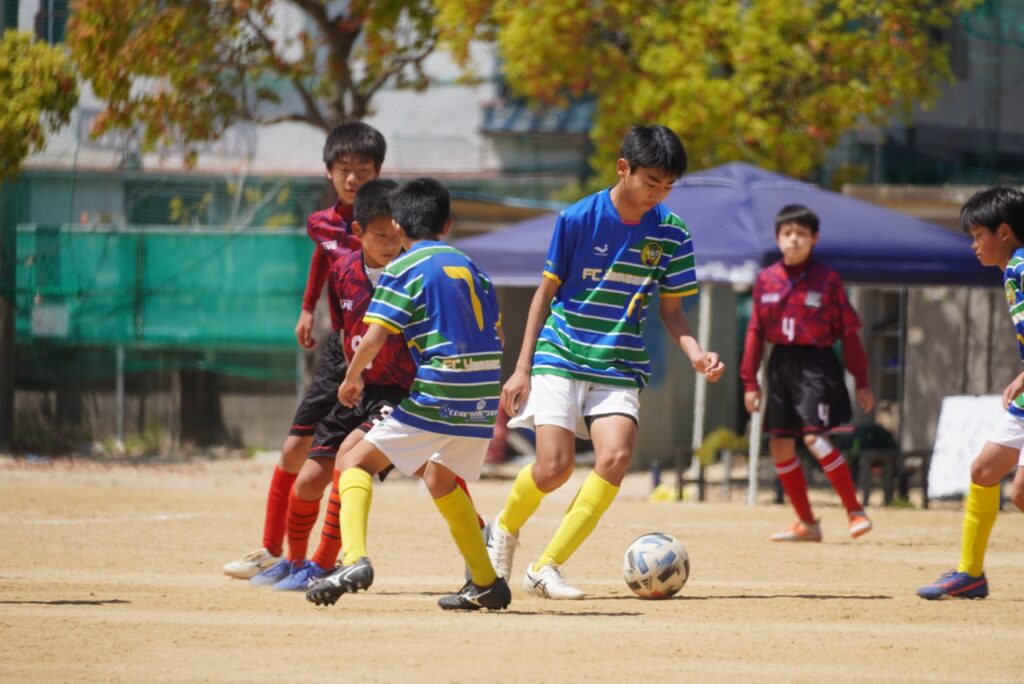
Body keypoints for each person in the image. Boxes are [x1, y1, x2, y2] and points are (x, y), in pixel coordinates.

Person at [487, 124, 725, 600]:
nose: (658, 193)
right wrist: (521, 367)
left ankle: (546, 567)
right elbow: (545, 294)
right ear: (623, 168)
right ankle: (504, 528)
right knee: (554, 468)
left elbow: (673, 311)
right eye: (651, 182)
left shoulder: (673, 233)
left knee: (615, 457)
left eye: (667, 186)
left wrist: (697, 354)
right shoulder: (578, 218)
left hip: (619, 363)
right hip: (561, 352)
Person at [304, 178, 510, 611]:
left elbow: (373, 338)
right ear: (447, 224)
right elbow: (499, 335)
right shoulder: (473, 268)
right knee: (439, 478)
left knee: (352, 461)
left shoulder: (404, 268)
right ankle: (486, 582)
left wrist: (352, 379)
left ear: (397, 227)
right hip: (482, 394)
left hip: (439, 387)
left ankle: (353, 560)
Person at [222, 122, 385, 579]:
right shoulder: (322, 225)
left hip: (388, 354)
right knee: (296, 450)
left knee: (421, 459)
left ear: (378, 171)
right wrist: (307, 308)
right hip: (342, 348)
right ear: (328, 172)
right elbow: (323, 257)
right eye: (344, 169)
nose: (353, 178)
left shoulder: (392, 223)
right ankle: (272, 550)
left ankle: (480, 531)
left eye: (363, 169)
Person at [739, 204, 875, 543]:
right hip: (780, 365)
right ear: (777, 239)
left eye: (801, 233)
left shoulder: (827, 280)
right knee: (780, 445)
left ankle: (855, 511)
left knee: (815, 438)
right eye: (787, 233)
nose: (794, 240)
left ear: (815, 239)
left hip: (817, 364)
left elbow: (849, 333)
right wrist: (749, 382)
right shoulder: (766, 279)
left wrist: (862, 380)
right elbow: (755, 331)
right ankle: (806, 523)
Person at [918, 186, 1024, 600]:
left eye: (979, 235)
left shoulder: (1021, 268)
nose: (974, 244)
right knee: (984, 471)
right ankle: (971, 574)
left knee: (1020, 494)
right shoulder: (1013, 269)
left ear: (1004, 232)